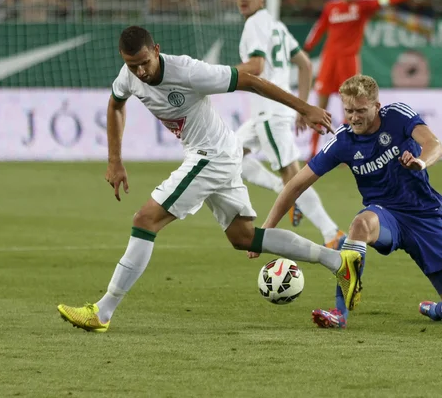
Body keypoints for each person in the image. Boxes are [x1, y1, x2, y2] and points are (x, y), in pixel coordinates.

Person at [56, 26, 363, 332]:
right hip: (219, 152)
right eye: (132, 65)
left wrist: (304, 107)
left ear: (157, 50)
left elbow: (250, 81)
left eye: (144, 63)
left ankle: (103, 311)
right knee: (243, 237)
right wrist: (115, 159)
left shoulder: (189, 72)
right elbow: (115, 104)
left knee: (145, 220)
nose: (140, 71)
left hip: (211, 155)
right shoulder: (129, 75)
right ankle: (338, 262)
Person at [252, 74, 442, 328]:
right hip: (385, 216)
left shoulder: (398, 116)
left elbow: (434, 144)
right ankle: (340, 313)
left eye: (360, 110)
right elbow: (295, 185)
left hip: (424, 216)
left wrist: (421, 162)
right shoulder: (343, 142)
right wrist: (265, 232)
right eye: (348, 110)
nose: (354, 117)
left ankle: (434, 309)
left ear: (376, 106)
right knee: (360, 226)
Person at [233, 0, 344, 248]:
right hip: (270, 111)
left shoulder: (254, 24)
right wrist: (301, 107)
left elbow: (256, 66)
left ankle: (331, 233)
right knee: (228, 155)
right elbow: (304, 64)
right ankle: (282, 191)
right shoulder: (276, 25)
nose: (242, 0)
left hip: (270, 112)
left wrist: (214, 75)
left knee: (293, 176)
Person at [303, 0, 410, 161]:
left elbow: (387, 1)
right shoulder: (331, 7)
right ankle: (312, 150)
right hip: (329, 60)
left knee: (351, 107)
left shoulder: (362, 6)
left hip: (349, 61)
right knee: (320, 106)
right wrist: (307, 47)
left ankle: (349, 151)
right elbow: (320, 27)